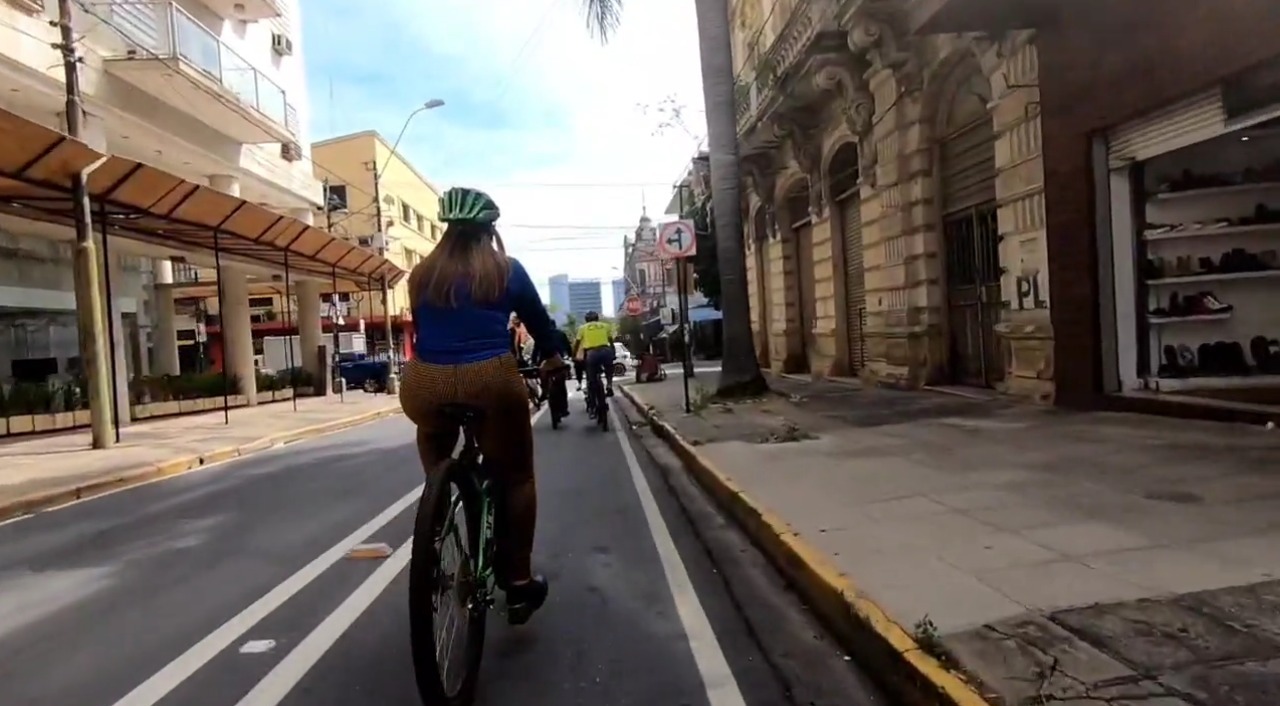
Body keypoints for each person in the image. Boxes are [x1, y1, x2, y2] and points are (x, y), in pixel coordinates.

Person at [400, 185, 561, 625]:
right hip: (491, 379)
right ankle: (518, 581)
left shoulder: (421, 275)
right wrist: (552, 356)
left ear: (446, 229)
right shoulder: (506, 269)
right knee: (517, 477)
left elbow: (428, 329)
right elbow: (539, 324)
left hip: (424, 381)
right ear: (489, 229)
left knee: (433, 435)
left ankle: (437, 517)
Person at [574, 311, 615, 414]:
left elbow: (577, 344)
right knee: (609, 368)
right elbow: (611, 342)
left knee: (591, 380)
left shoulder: (582, 328)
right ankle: (609, 384)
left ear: (586, 320)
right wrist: (613, 353)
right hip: (606, 351)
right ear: (597, 319)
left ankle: (592, 404)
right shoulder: (606, 326)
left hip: (591, 353)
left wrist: (574, 355)